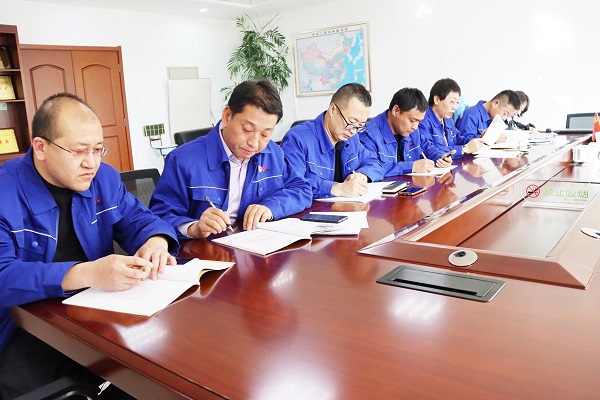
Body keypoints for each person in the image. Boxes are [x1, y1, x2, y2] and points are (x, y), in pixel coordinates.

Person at [0, 93, 179, 398]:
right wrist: (87, 274)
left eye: (98, 149)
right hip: (24, 327)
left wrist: (156, 241)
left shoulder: (104, 179)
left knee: (162, 370)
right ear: (40, 147)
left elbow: (139, 218)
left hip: (98, 316)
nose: (92, 163)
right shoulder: (6, 191)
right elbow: (4, 277)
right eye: (79, 151)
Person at [150, 80, 312, 239]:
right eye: (247, 129)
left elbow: (301, 189)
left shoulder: (272, 154)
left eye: (265, 134)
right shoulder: (182, 160)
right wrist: (193, 228)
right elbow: (159, 217)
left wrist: (271, 206)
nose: (254, 143)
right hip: (205, 250)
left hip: (255, 245)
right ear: (227, 116)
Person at [280, 83, 384, 199]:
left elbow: (374, 163)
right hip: (313, 209)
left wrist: (362, 175)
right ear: (332, 109)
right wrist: (337, 188)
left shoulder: (352, 138)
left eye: (360, 126)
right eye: (351, 122)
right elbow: (292, 184)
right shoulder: (297, 139)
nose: (353, 131)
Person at [360, 87, 454, 177]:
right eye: (412, 120)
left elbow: (427, 147)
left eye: (419, 122)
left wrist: (440, 157)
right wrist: (411, 166)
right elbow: (372, 168)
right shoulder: (368, 135)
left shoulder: (412, 130)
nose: (415, 127)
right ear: (396, 110)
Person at [419, 78, 484, 158]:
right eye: (452, 102)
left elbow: (458, 138)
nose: (455, 107)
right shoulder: (422, 120)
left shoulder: (448, 119)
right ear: (436, 100)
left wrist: (476, 141)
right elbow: (430, 151)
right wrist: (464, 149)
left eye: (457, 102)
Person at [455, 89, 521, 141]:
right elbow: (463, 142)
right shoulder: (470, 115)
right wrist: (490, 139)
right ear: (495, 103)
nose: (504, 118)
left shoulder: (492, 116)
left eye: (508, 116)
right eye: (505, 114)